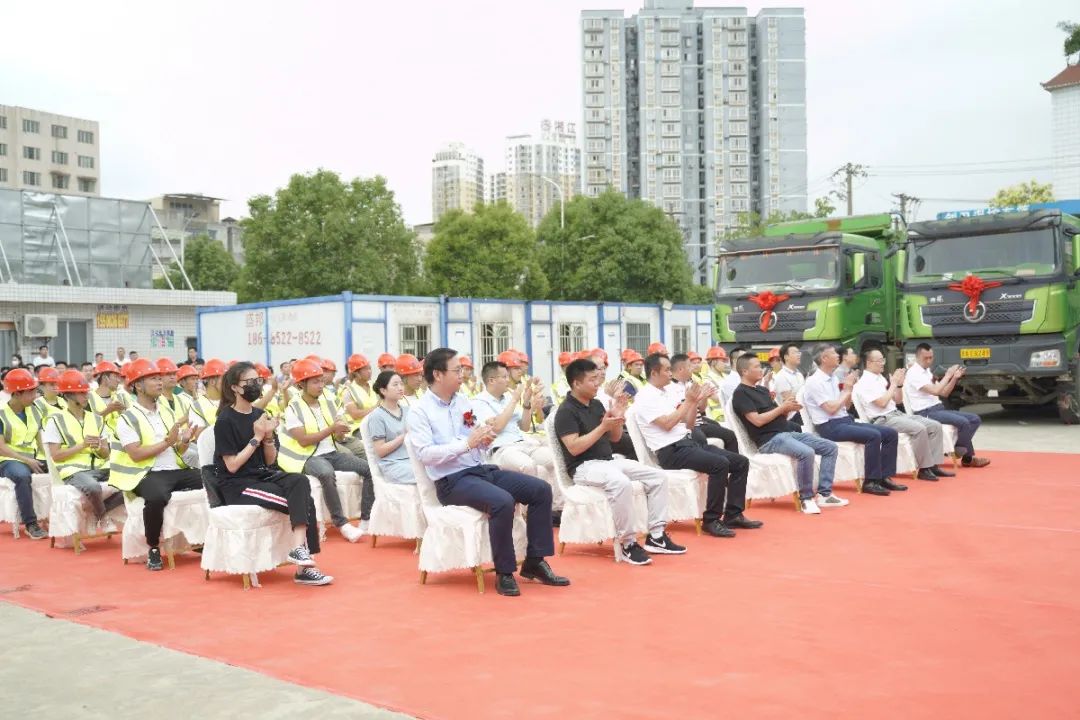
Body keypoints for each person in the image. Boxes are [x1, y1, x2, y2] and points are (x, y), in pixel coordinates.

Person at [407, 348, 568, 597]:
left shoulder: (462, 402)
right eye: (457, 370)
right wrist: (467, 444)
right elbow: (426, 454)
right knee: (502, 501)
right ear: (438, 374)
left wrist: (483, 438)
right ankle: (504, 572)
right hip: (451, 481)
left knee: (540, 489)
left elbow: (471, 433)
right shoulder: (420, 411)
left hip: (479, 469)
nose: (463, 375)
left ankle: (535, 561)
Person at [213, 362, 332, 586]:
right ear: (235, 388)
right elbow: (232, 466)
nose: (256, 385)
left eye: (258, 381)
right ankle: (305, 567)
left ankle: (299, 552)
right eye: (250, 382)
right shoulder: (225, 420)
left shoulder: (260, 413)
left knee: (300, 481)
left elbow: (270, 460)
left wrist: (268, 439)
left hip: (262, 475)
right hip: (237, 484)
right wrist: (257, 437)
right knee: (304, 502)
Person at [554, 357, 682, 565]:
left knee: (657, 476)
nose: (598, 383)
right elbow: (574, 447)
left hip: (607, 461)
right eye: (592, 380)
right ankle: (628, 542)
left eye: (598, 378)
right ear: (576, 383)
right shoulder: (566, 411)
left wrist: (616, 417)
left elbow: (613, 438)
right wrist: (603, 427)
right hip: (584, 467)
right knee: (620, 482)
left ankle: (657, 536)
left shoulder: (595, 405)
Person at [635, 353, 757, 538]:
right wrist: (690, 402)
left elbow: (689, 424)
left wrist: (696, 402)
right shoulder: (645, 397)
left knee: (741, 462)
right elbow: (667, 423)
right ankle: (711, 520)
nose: (670, 373)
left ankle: (733, 514)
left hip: (687, 443)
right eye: (667, 370)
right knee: (719, 464)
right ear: (654, 372)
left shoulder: (666, 392)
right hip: (670, 451)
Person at [109, 359, 202, 570]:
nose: (160, 382)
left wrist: (184, 440)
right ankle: (153, 547)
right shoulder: (127, 418)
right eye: (153, 379)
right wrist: (167, 442)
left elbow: (177, 450)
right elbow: (135, 454)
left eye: (160, 378)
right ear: (138, 386)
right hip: (146, 473)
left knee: (212, 480)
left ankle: (201, 539)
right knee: (157, 497)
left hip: (174, 470)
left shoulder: (167, 412)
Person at [731, 354, 844, 515]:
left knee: (830, 447)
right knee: (806, 452)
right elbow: (757, 421)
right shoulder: (741, 393)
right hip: (768, 440)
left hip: (786, 433)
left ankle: (825, 494)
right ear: (744, 371)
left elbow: (778, 415)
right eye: (756, 366)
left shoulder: (762, 390)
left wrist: (788, 408)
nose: (761, 369)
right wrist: (782, 408)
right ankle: (806, 498)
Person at [276, 359, 366, 542]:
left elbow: (338, 434)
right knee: (326, 473)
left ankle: (366, 517)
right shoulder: (293, 407)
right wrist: (332, 429)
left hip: (331, 451)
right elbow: (303, 441)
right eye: (315, 382)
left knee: (368, 468)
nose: (321, 385)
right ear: (302, 384)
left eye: (321, 381)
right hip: (306, 456)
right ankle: (342, 523)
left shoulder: (329, 401)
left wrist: (341, 432)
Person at [803, 344, 905, 496]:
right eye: (834, 354)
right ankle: (870, 481)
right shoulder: (814, 381)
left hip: (844, 420)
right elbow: (830, 409)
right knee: (873, 436)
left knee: (890, 434)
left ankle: (884, 476)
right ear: (824, 359)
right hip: (829, 426)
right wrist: (847, 389)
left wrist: (848, 390)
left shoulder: (832, 378)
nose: (838, 356)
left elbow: (846, 405)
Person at [854, 349, 954, 481]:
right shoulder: (864, 382)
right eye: (879, 361)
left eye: (883, 360)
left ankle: (934, 466)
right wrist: (894, 384)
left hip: (896, 414)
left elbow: (898, 400)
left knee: (934, 425)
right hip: (882, 419)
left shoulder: (879, 378)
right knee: (919, 428)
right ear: (868, 363)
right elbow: (882, 403)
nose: (883, 363)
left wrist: (899, 385)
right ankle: (924, 469)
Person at [43, 370, 123, 529]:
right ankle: (102, 517)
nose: (86, 396)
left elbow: (106, 454)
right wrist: (83, 445)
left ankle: (97, 511)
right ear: (68, 395)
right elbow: (56, 456)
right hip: (72, 471)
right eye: (81, 393)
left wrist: (100, 448)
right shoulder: (55, 420)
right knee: (93, 487)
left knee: (134, 482)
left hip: (100, 467)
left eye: (86, 392)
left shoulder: (97, 419)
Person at [473, 361, 556, 508]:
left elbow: (524, 426)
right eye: (504, 377)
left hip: (522, 442)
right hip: (501, 448)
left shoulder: (507, 398)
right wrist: (514, 400)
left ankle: (556, 507)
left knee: (553, 459)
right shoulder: (479, 402)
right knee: (527, 465)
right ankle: (528, 511)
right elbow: (497, 428)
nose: (507, 380)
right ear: (491, 380)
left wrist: (526, 403)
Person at [907, 343, 990, 468]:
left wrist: (954, 378)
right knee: (963, 423)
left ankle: (959, 449)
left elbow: (944, 392)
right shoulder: (914, 373)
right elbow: (935, 391)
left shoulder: (927, 372)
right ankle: (966, 457)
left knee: (974, 419)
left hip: (937, 408)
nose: (929, 361)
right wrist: (948, 375)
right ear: (917, 357)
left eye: (931, 357)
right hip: (925, 412)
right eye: (926, 358)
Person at [0, 369, 47, 538]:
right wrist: (26, 460)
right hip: (7, 460)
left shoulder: (34, 411)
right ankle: (31, 523)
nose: (35, 396)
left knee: (62, 469)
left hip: (31, 458)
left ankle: (56, 518)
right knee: (22, 476)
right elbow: (1, 447)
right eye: (31, 392)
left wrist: (51, 458)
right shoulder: (1, 414)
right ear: (17, 394)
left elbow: (40, 441)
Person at [670, 353, 737, 452]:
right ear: (681, 369)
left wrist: (704, 396)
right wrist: (693, 400)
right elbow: (681, 415)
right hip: (688, 424)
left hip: (698, 420)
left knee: (725, 432)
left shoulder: (690, 383)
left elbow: (701, 409)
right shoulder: (671, 387)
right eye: (690, 366)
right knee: (725, 436)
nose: (692, 368)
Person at [367, 371, 414, 485]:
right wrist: (404, 436)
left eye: (401, 384)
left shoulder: (408, 410)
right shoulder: (376, 416)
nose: (400, 387)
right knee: (428, 474)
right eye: (395, 384)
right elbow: (380, 451)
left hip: (412, 459)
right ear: (383, 390)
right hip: (393, 465)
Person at [87, 361, 127, 435]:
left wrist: (123, 411)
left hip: (120, 442)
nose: (118, 380)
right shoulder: (88, 398)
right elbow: (87, 424)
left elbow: (132, 422)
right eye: (115, 376)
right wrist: (107, 411)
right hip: (99, 442)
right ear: (105, 378)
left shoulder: (121, 396)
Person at [771, 343, 805, 427]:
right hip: (793, 417)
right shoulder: (781, 376)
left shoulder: (799, 374)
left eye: (799, 352)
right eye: (794, 353)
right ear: (786, 357)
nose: (798, 355)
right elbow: (791, 404)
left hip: (803, 412)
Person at [189, 358, 226, 432]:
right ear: (212, 381)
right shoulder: (197, 405)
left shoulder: (231, 400)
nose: (227, 383)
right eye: (224, 379)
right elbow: (199, 436)